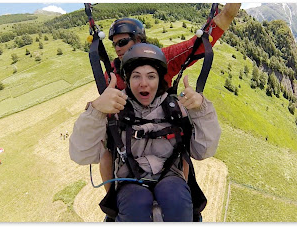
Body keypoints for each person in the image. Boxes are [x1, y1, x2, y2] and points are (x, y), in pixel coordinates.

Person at [69, 43, 221, 221]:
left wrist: (200, 109)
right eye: (136, 76)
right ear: (127, 80)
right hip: (129, 184)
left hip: (172, 178)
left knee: (175, 197)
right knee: (136, 202)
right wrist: (96, 111)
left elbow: (204, 150)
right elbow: (81, 155)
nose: (144, 83)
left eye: (151, 76)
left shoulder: (176, 109)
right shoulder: (114, 112)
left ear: (159, 80)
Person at [98, 3, 241, 192]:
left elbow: (195, 46)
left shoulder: (163, 58)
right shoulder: (113, 74)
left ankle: (184, 191)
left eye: (122, 42)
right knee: (106, 149)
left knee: (182, 148)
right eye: (114, 44)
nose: (117, 48)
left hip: (164, 124)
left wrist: (227, 15)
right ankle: (111, 203)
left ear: (139, 39)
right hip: (130, 129)